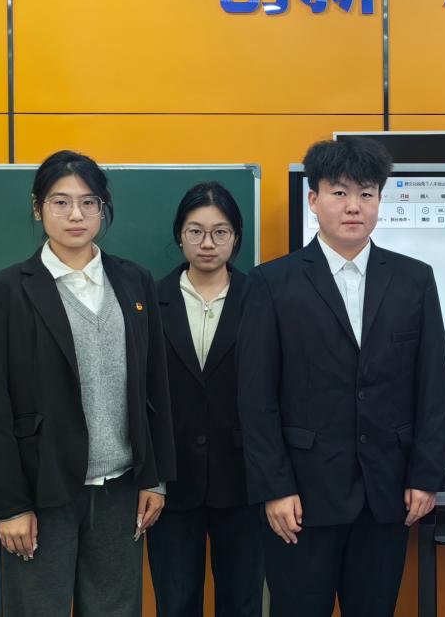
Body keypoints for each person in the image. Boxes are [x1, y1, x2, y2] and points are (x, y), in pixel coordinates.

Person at [237, 137, 445, 617]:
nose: (354, 206)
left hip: (387, 494)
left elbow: (433, 386)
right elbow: (256, 397)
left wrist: (426, 475)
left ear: (379, 200)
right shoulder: (271, 283)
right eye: (339, 193)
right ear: (314, 200)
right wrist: (275, 487)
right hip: (301, 499)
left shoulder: (414, 279)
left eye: (366, 193)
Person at [0, 149, 176, 617]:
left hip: (121, 489)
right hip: (42, 494)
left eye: (88, 202)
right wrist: (10, 506)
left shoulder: (134, 282)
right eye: (60, 202)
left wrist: (156, 478)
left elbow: (156, 386)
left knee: (115, 610)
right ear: (37, 208)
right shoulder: (4, 293)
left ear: (103, 208)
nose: (76, 215)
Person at [147, 182, 263, 616]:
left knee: (243, 603)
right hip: (172, 484)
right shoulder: (149, 299)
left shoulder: (261, 298)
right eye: (195, 231)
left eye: (220, 232)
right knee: (175, 604)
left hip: (245, 482)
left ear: (236, 237)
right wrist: (150, 477)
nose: (207, 243)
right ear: (180, 235)